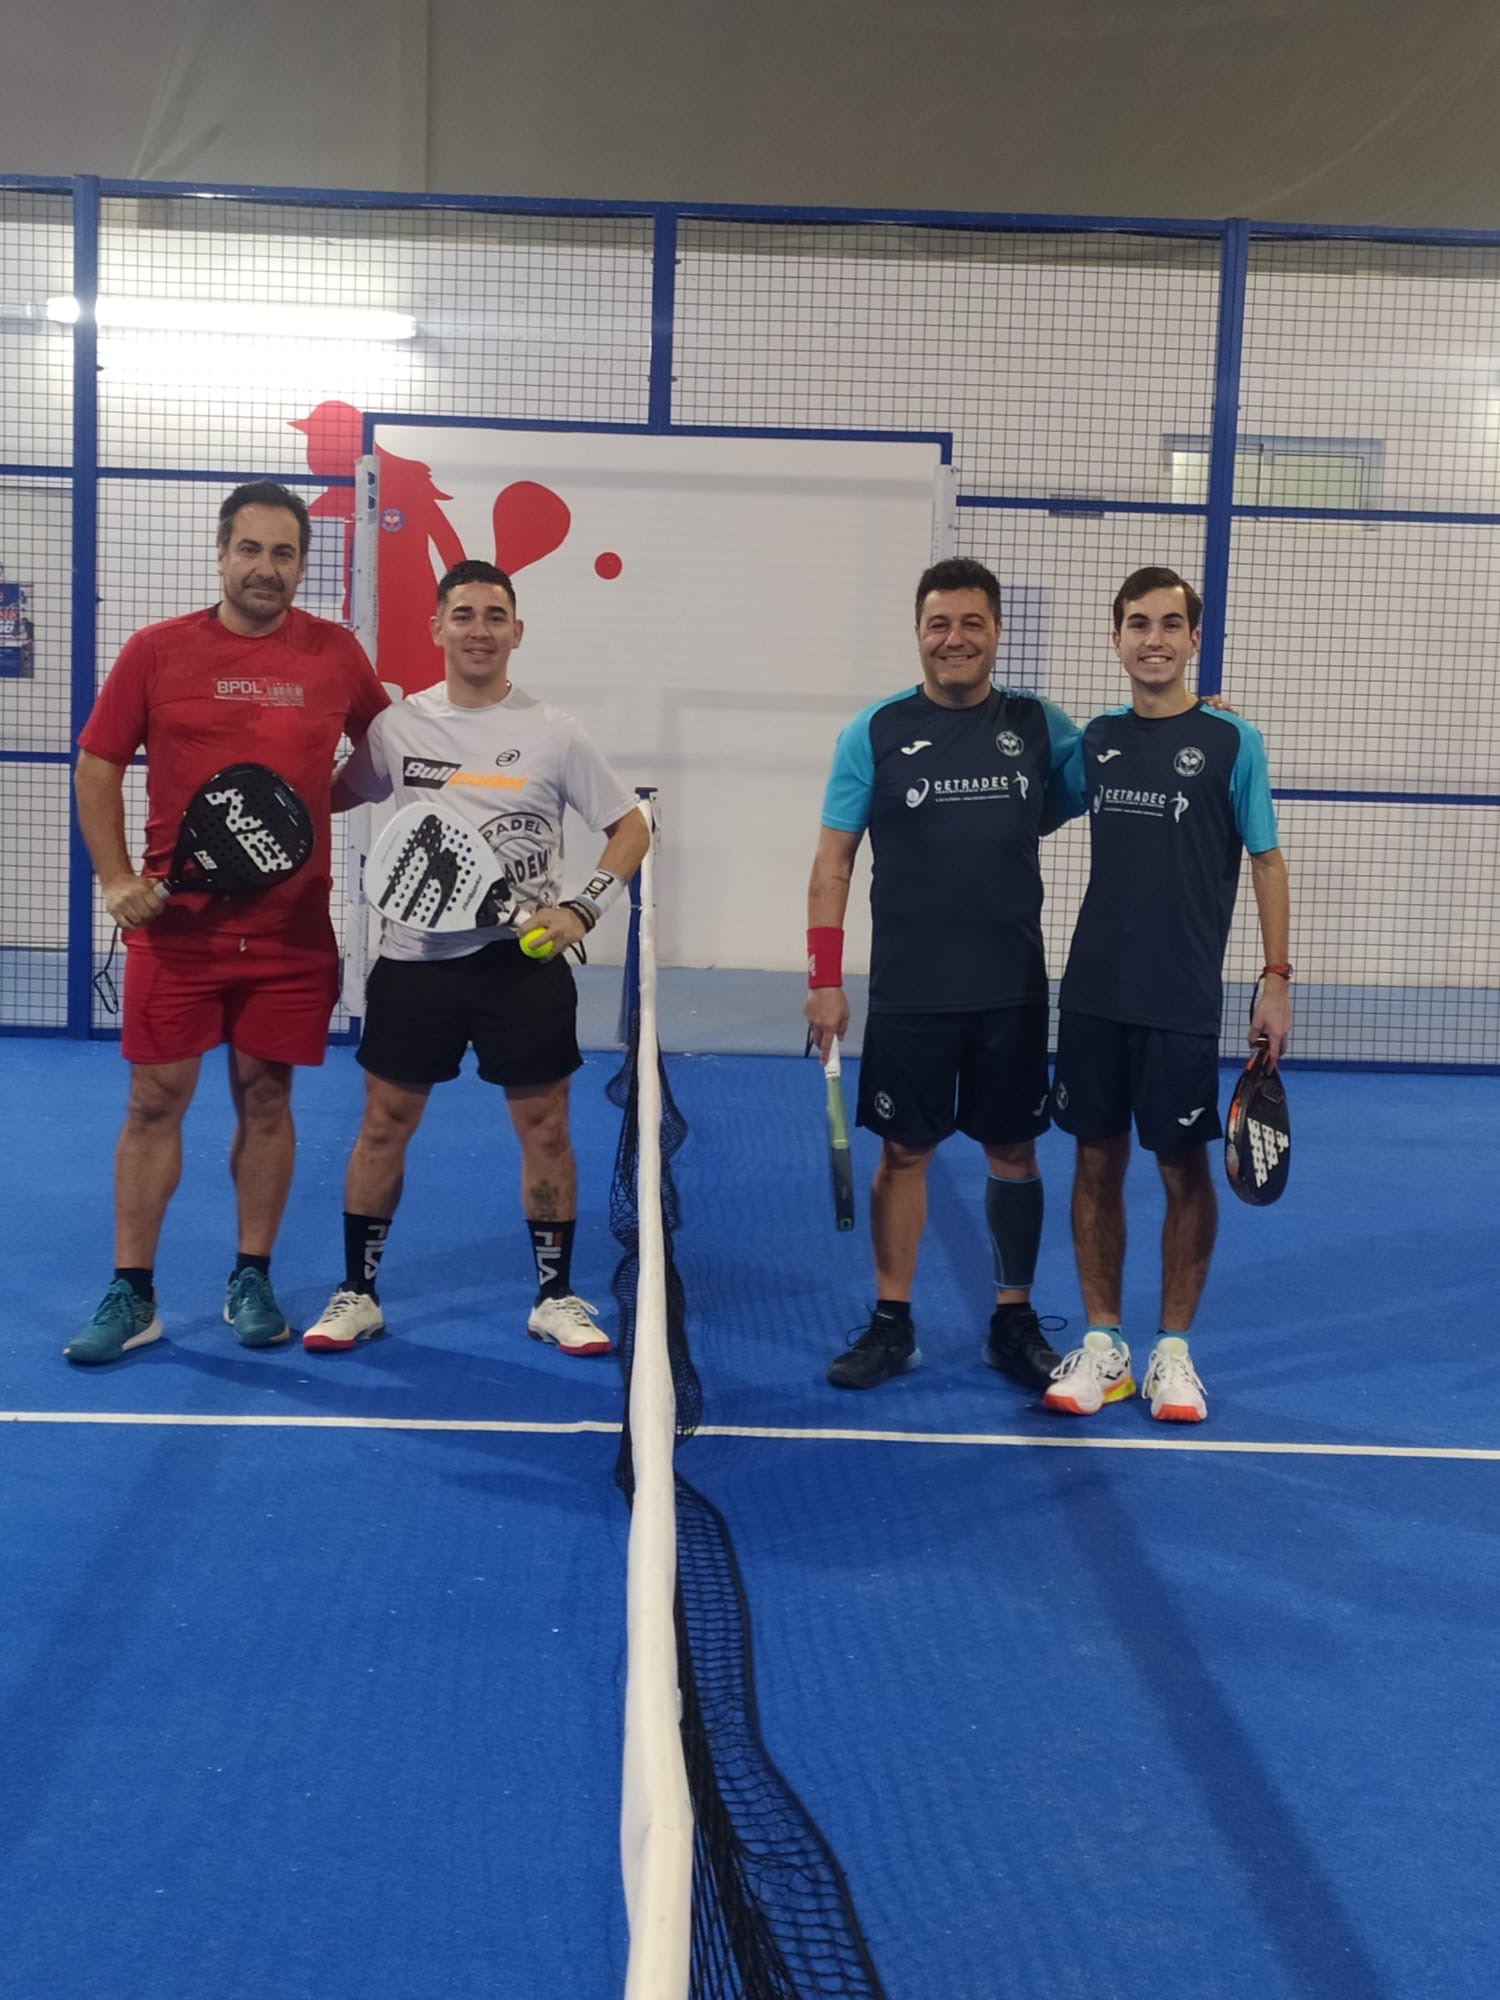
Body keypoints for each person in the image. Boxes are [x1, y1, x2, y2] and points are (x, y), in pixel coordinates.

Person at [66, 480, 390, 1365]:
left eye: (284, 553)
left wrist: (313, 808)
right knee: (153, 1101)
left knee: (267, 1097)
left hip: (291, 938)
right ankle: (133, 1293)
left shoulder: (335, 653)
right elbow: (96, 766)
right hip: (178, 934)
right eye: (250, 549)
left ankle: (252, 1276)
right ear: (221, 554)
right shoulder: (155, 650)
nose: (266, 568)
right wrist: (116, 877)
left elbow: (392, 747)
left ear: (302, 565)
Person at [300, 558, 649, 1357]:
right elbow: (332, 794)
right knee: (383, 1126)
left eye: (495, 616)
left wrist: (582, 907)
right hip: (413, 963)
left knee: (546, 1129)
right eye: (463, 615)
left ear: (517, 632)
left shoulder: (555, 731)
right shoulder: (397, 728)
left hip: (521, 969)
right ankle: (358, 1292)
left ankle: (555, 1297)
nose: (479, 630)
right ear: (437, 629)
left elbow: (631, 826)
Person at [804, 557, 1078, 1391]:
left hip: (1011, 988)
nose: (954, 639)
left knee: (1015, 1152)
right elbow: (832, 862)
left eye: (971, 623)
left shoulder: (1040, 725)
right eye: (939, 624)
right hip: (911, 989)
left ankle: (1012, 1322)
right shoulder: (874, 731)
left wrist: (1193, 723)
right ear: (919, 633)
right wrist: (824, 977)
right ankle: (892, 1324)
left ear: (996, 631)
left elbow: (1117, 767)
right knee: (904, 1153)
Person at [1042, 566, 1292, 1425]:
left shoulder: (1233, 741)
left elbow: (1266, 860)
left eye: (1170, 624)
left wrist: (1276, 977)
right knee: (1094, 1160)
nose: (1154, 639)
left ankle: (1173, 1353)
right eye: (1138, 624)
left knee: (1183, 1167)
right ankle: (1105, 1346)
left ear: (1193, 638)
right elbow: (1027, 805)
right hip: (1093, 992)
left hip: (1181, 996)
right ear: (1116, 638)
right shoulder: (1097, 742)